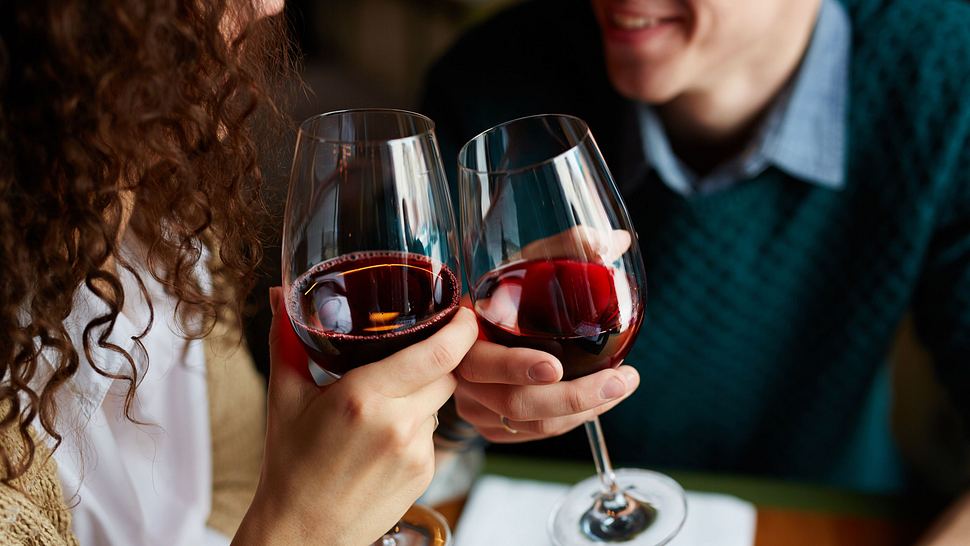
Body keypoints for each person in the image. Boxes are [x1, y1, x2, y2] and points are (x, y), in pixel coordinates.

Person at [422, 0, 970, 540]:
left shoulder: (943, 69)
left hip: (825, 513)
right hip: (547, 506)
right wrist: (453, 404)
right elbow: (408, 429)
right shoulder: (490, 77)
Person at [0, 1, 477, 544]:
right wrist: (299, 531)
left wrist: (460, 405)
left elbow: (240, 477)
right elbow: (280, 507)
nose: (273, 3)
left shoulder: (163, 214)